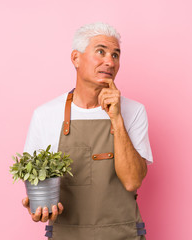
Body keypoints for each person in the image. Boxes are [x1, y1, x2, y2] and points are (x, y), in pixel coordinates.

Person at [21, 22, 153, 239]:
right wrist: (37, 205)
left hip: (123, 234)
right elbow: (36, 184)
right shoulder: (45, 115)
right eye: (101, 51)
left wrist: (116, 119)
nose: (109, 61)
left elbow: (132, 181)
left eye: (115, 55)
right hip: (67, 234)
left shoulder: (134, 111)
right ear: (75, 58)